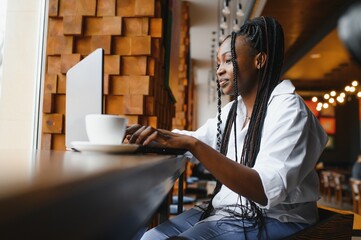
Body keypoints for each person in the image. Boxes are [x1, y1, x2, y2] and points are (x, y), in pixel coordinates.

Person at [126, 16, 328, 240]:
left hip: (278, 218)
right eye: (218, 64)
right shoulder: (234, 111)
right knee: (150, 237)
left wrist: (192, 144)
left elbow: (263, 190)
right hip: (228, 211)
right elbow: (197, 138)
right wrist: (153, 135)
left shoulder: (289, 109)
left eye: (228, 61)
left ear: (259, 60)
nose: (220, 70)